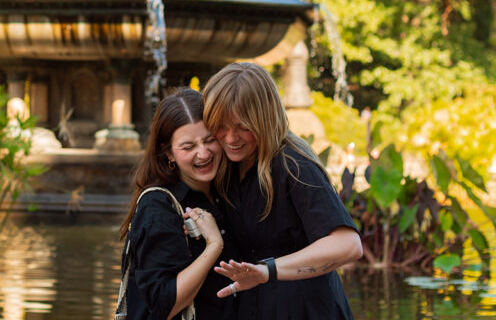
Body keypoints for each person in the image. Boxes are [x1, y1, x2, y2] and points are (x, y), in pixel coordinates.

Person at [202, 62, 363, 319]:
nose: (231, 138)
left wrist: (269, 270)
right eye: (221, 126)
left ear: (265, 119)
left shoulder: (294, 165)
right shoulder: (226, 165)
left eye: (243, 126)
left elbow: (348, 245)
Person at [117, 87, 237, 320]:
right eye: (188, 147)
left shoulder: (226, 192)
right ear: (168, 153)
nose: (203, 154)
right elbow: (164, 304)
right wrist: (214, 245)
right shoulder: (159, 206)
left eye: (209, 140)